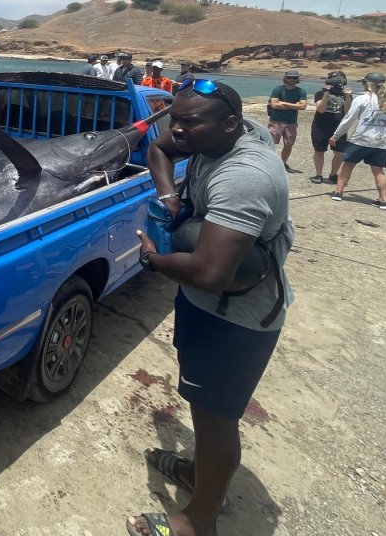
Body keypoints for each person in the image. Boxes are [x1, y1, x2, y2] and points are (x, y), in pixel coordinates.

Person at [130, 78, 293, 536]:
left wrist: (152, 260)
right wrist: (170, 196)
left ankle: (198, 520)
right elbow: (158, 149)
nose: (178, 130)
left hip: (235, 318)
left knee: (215, 418)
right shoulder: (214, 132)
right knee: (199, 401)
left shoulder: (244, 177)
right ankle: (199, 474)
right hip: (206, 305)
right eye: (175, 119)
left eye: (190, 122)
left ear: (230, 124)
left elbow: (209, 272)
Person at [328, 71, 386, 210]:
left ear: (368, 84)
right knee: (378, 170)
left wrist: (335, 136)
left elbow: (348, 119)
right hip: (383, 141)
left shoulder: (362, 99)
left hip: (361, 139)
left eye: (364, 83)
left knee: (348, 165)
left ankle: (338, 192)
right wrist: (384, 124)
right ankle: (384, 201)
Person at [309, 71, 352, 184]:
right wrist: (326, 94)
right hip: (321, 126)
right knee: (319, 150)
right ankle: (319, 174)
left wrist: (347, 97)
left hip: (339, 128)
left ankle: (333, 174)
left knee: (339, 152)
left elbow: (347, 112)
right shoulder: (320, 93)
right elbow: (321, 109)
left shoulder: (345, 95)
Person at [266, 69, 307, 172]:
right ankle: (268, 163)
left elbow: (303, 106)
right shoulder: (278, 89)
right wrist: (295, 105)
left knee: (289, 144)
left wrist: (285, 103)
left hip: (291, 122)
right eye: (289, 77)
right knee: (271, 143)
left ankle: (283, 164)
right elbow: (274, 105)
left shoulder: (301, 91)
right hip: (276, 121)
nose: (292, 79)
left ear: (297, 79)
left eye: (294, 78)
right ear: (285, 78)